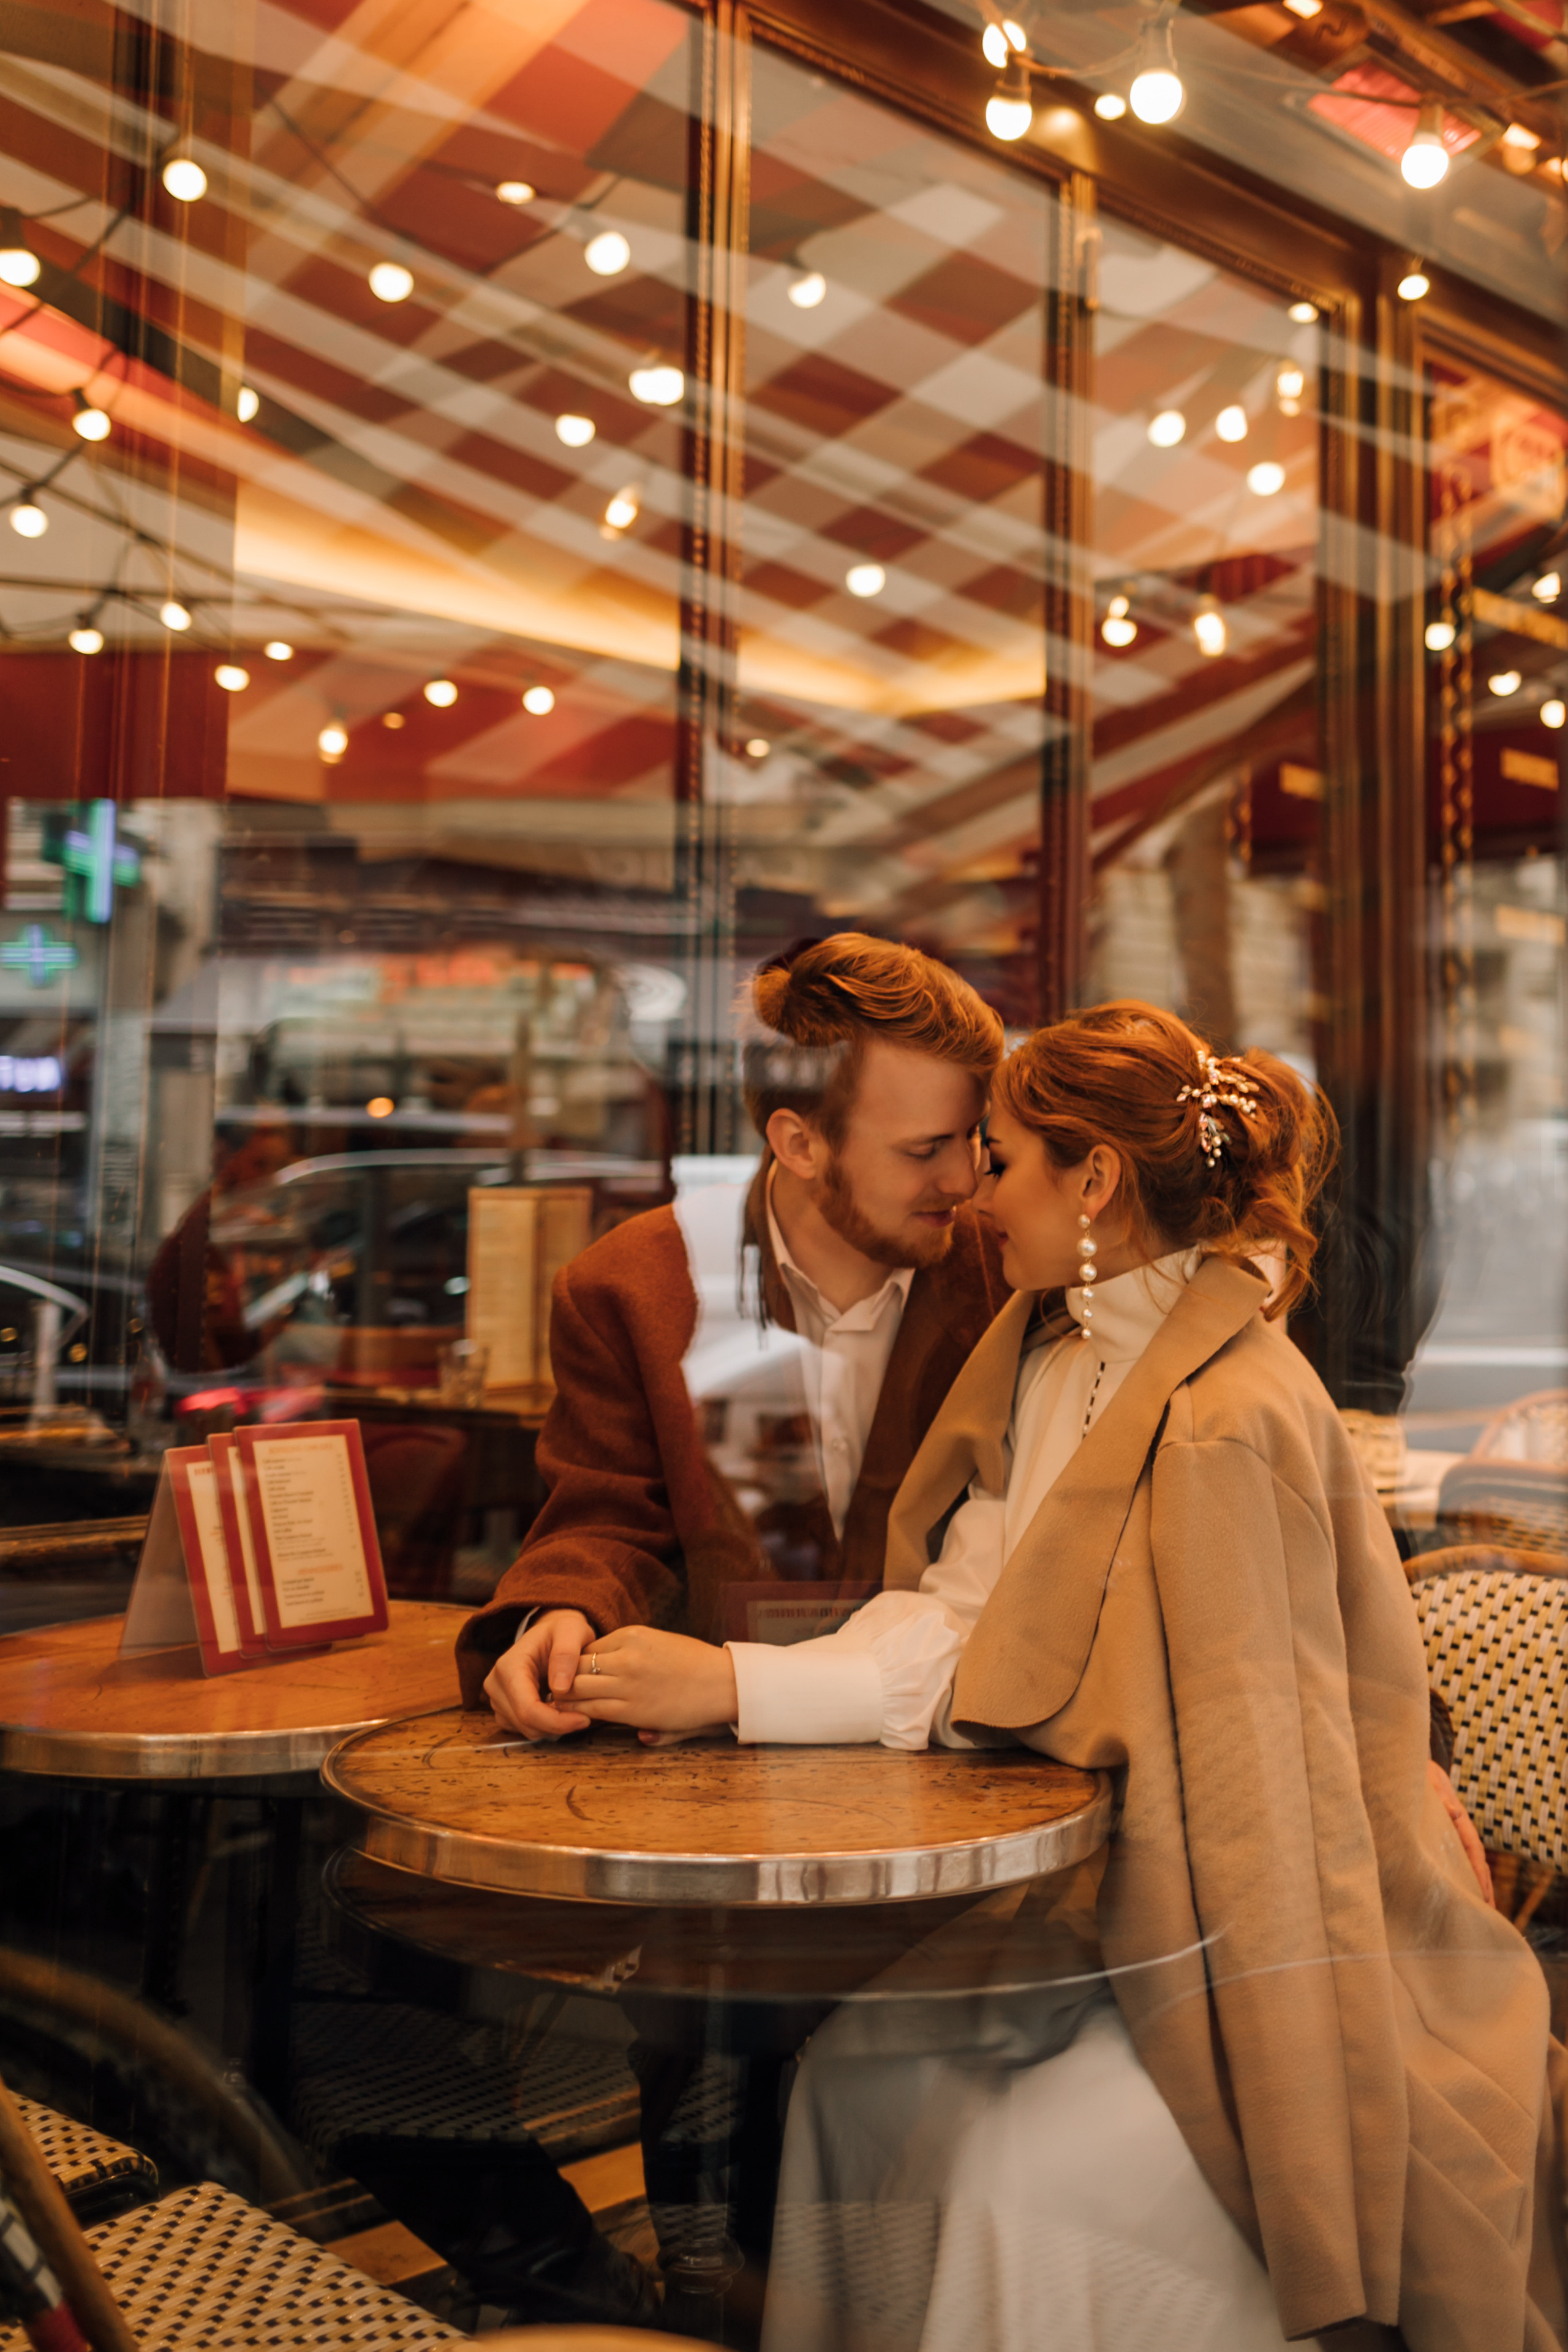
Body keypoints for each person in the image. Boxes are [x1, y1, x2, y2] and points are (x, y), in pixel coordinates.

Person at [557, 1000, 1565, 2352]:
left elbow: (1252, 1797)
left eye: (1003, 1152)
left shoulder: (1219, 1418)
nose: (975, 1182)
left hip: (1246, 1925)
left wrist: (733, 1688)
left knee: (1015, 2181)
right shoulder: (1054, 1344)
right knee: (851, 2077)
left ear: (1091, 1181)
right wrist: (731, 1679)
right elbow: (971, 1616)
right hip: (1116, 1894)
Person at [454, 932, 1009, 2326]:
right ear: (797, 1141)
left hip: (952, 1774)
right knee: (685, 2103)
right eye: (928, 1151)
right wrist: (561, 1613)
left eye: (976, 1145)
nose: (967, 1183)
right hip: (716, 1796)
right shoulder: (634, 1287)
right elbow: (610, 1512)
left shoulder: (1013, 1271)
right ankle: (666, 2296)